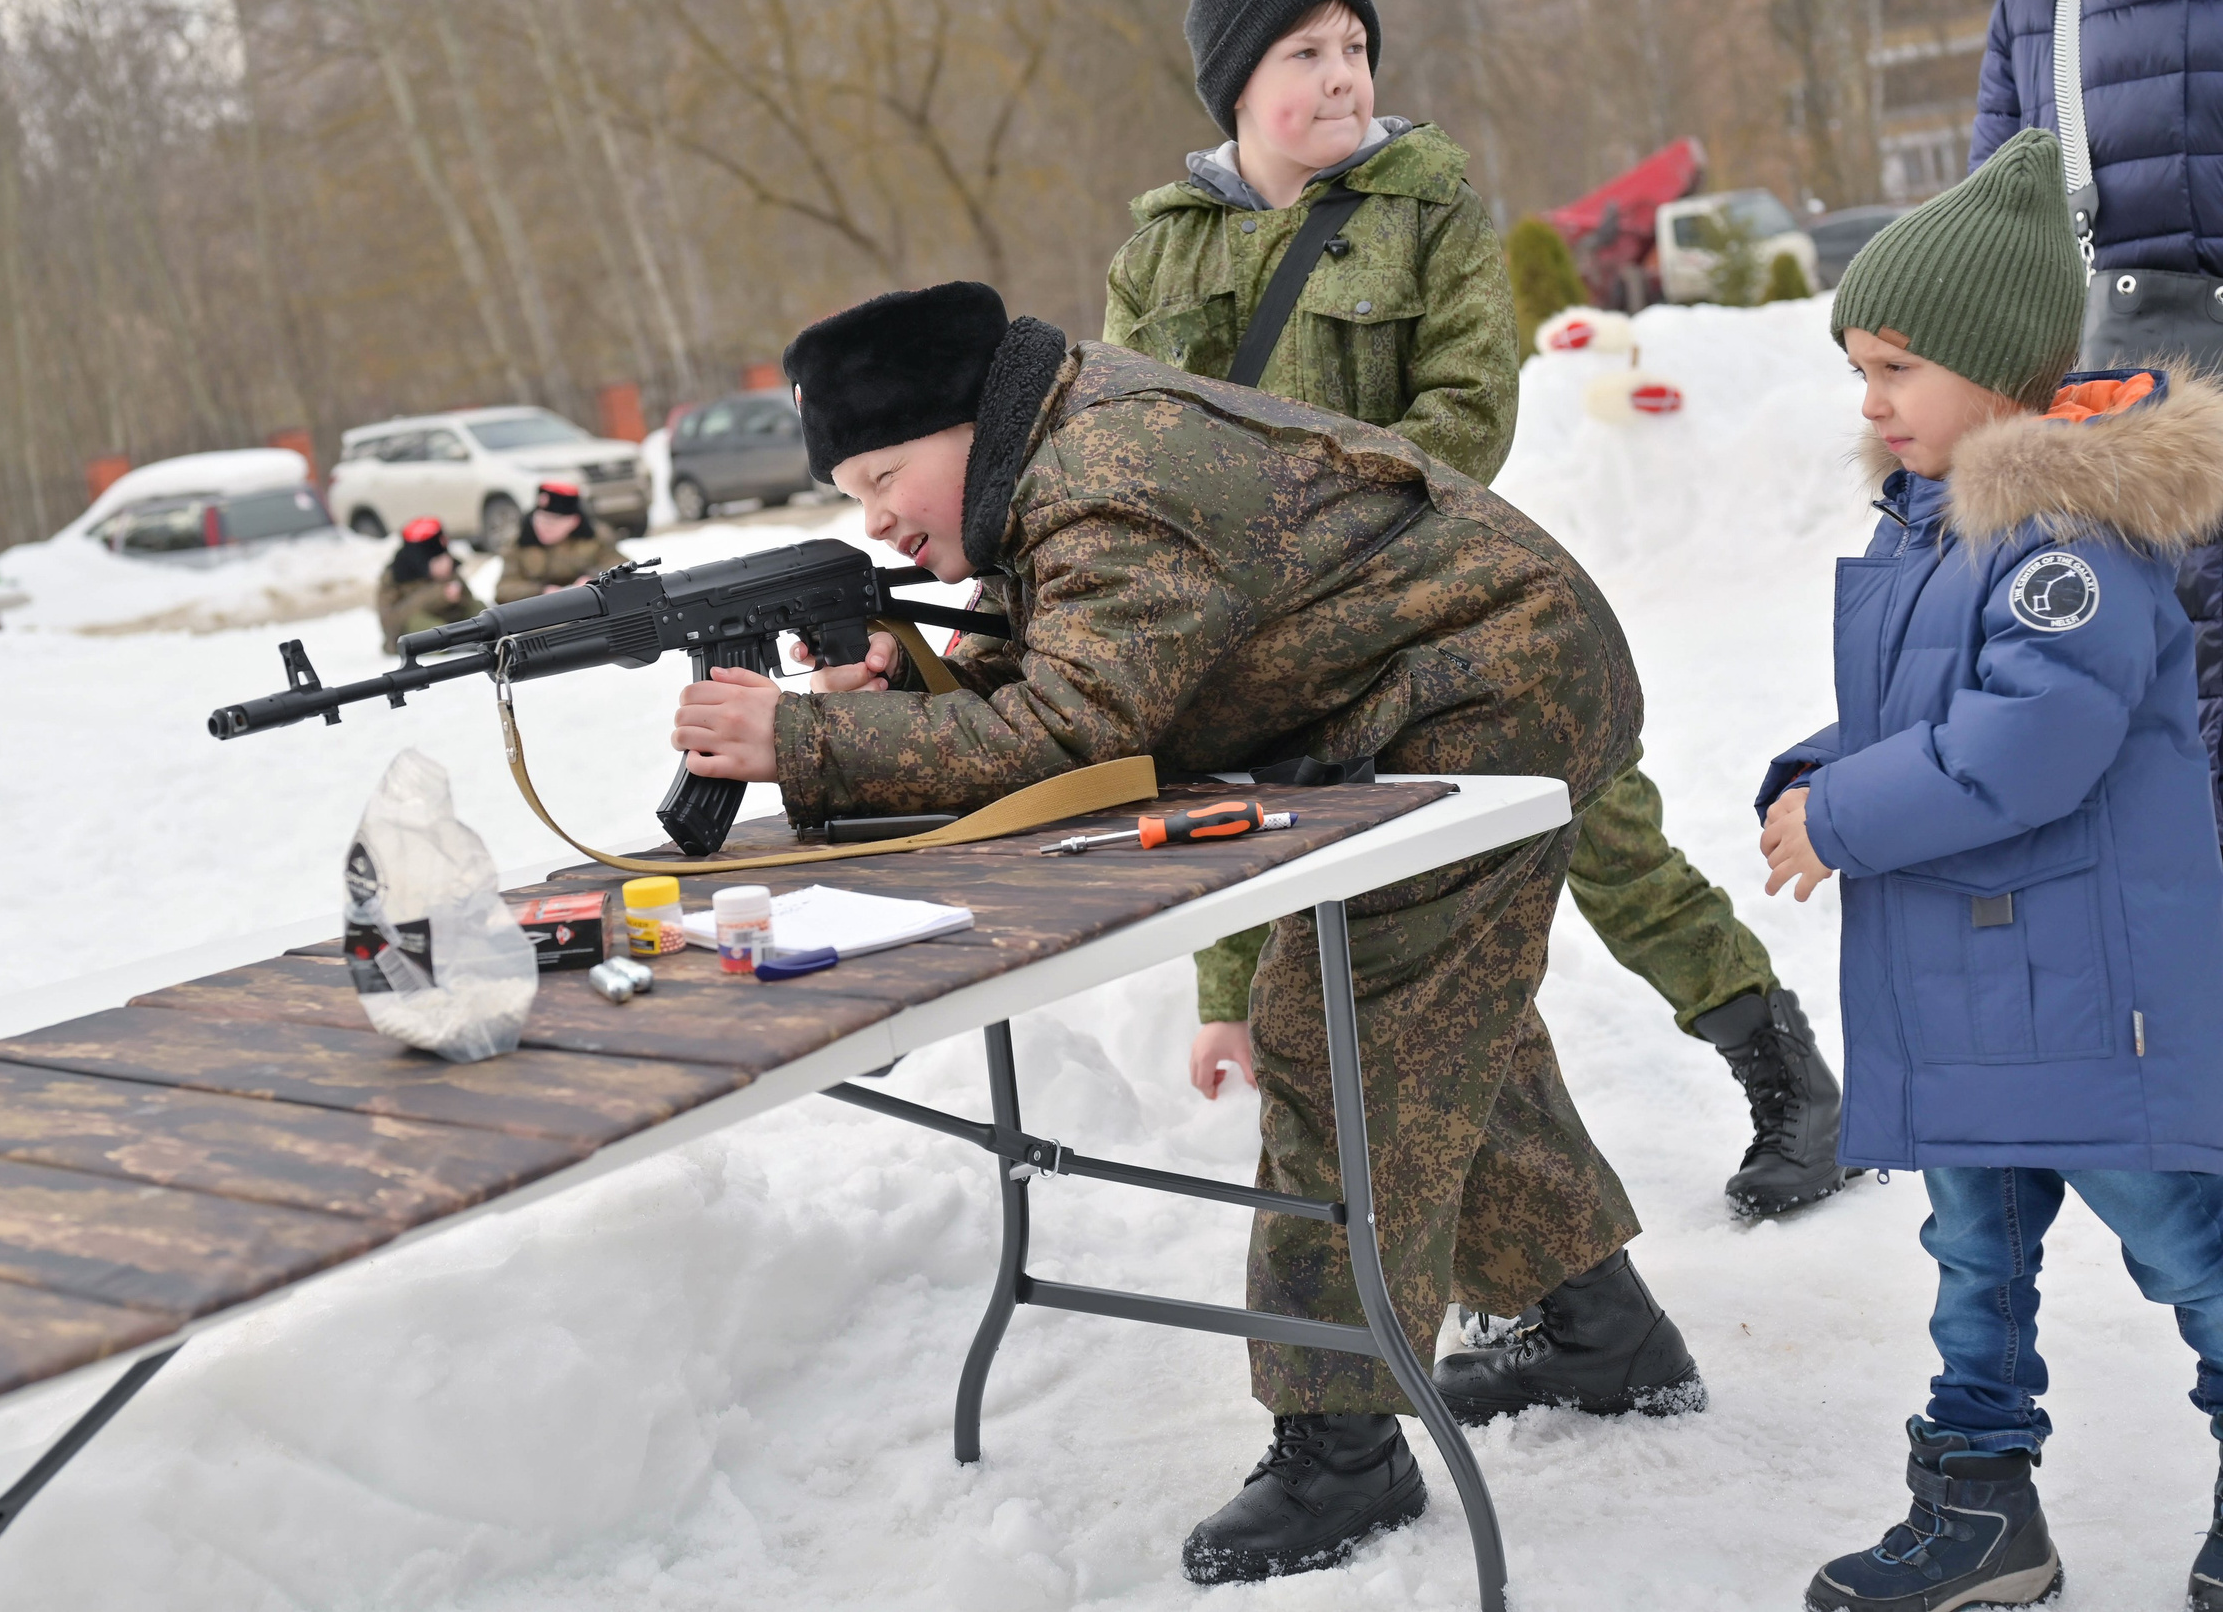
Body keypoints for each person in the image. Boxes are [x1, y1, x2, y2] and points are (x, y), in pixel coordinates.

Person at [677, 281, 1701, 1584]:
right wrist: (928, 682)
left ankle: (1343, 1444)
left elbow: (1073, 732)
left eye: (885, 473)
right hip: (1451, 677)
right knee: (1430, 1007)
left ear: (962, 428)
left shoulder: (1109, 470)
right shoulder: (1062, 446)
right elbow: (1092, 660)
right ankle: (1602, 1327)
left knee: (1337, 1027)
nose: (873, 517)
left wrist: (805, 739)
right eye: (851, 489)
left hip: (1489, 691)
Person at [1102, 0, 1838, 1223]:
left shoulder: (1426, 200)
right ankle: (1527, 1237)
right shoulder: (1158, 255)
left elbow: (1470, 409)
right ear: (1231, 82)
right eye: (1306, 52)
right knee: (1306, 866)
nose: (1343, 76)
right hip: (1282, 648)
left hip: (1452, 605)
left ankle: (1786, 1076)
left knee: (1603, 835)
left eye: (1358, 49)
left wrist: (1316, 536)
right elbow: (1137, 461)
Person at [1755, 131, 2223, 1612]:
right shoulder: (1936, 524)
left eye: (1897, 366)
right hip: (1977, 989)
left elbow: (2025, 743)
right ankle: (1980, 1503)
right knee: (1972, 1256)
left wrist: (1845, 815)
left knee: (2180, 1239)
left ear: (2004, 369)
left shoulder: (2061, 534)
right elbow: (1925, 723)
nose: (1873, 400)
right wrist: (1820, 766)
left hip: (2089, 994)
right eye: (1859, 372)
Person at [1972, 0, 2223, 866]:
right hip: (2124, 446)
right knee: (2154, 697)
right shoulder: (2035, 13)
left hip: (2127, 435)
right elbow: (1994, 259)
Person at [491, 480, 625, 604]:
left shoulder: (594, 537)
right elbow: (503, 590)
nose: (543, 528)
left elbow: (621, 567)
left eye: (552, 523)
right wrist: (540, 591)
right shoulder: (519, 542)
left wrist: (593, 579)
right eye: (539, 519)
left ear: (573, 522)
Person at [373, 516, 482, 653]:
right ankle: (451, 644)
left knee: (481, 608)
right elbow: (391, 623)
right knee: (423, 625)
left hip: (451, 622)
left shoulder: (448, 569)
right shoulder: (395, 577)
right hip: (412, 635)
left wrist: (452, 584)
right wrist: (439, 593)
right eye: (437, 560)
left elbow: (468, 602)